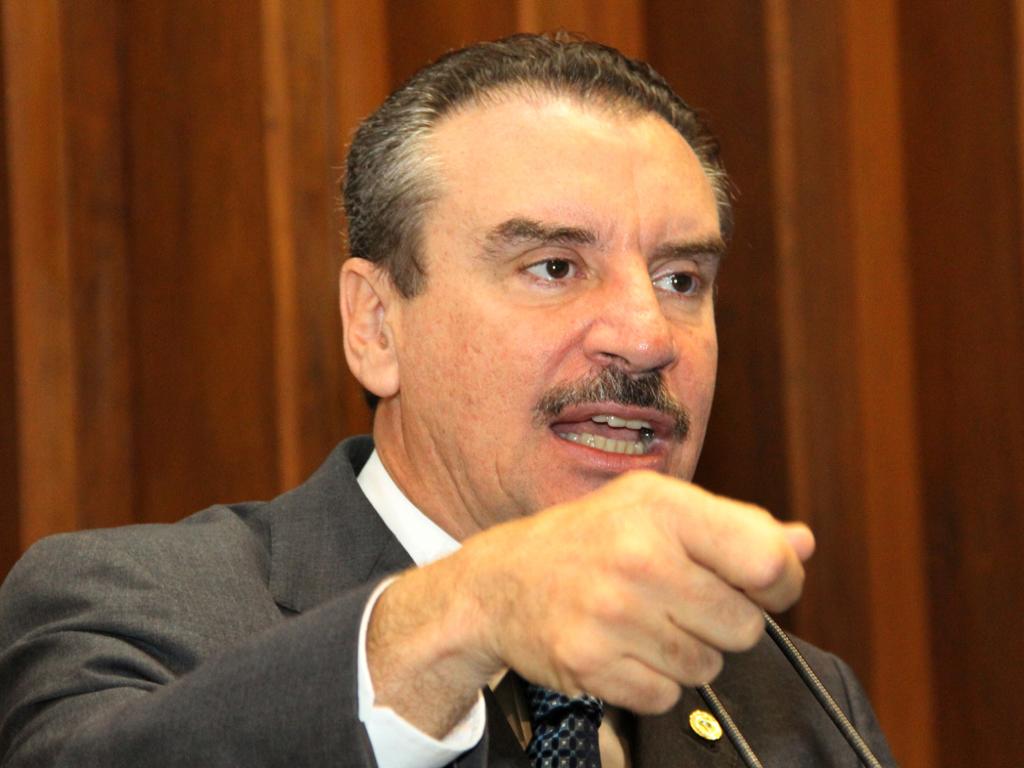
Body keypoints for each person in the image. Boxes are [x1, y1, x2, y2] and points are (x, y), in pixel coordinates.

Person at [0, 34, 895, 768]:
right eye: (555, 266)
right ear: (376, 326)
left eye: (681, 278)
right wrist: (473, 609)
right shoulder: (134, 608)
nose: (647, 334)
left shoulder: (792, 700)